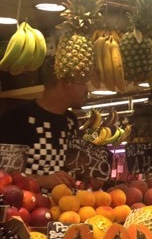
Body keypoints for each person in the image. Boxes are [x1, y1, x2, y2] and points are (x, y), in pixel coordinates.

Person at [0, 57, 87, 191]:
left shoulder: (71, 121)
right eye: (83, 82)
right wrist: (40, 180)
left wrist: (89, 176)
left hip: (67, 207)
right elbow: (4, 174)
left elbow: (72, 168)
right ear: (67, 82)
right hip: (26, 208)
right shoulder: (18, 117)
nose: (87, 89)